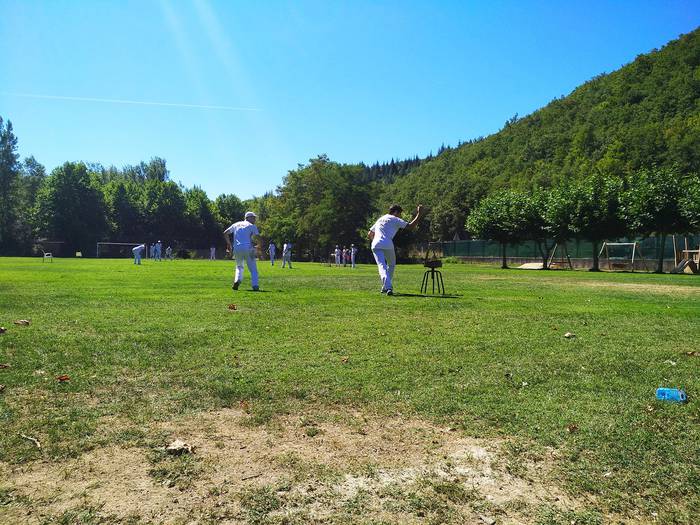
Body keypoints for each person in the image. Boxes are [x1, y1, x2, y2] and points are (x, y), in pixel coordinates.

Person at [368, 204, 424, 295]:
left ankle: (386, 286)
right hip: (387, 244)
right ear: (396, 212)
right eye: (400, 214)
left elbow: (370, 233)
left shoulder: (380, 219)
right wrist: (419, 214)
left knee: (382, 266)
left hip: (375, 244)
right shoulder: (395, 219)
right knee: (391, 265)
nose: (400, 216)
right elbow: (410, 226)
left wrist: (376, 240)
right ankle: (388, 287)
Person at [224, 211, 260, 291]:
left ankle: (237, 281)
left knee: (239, 267)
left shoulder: (236, 224)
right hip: (248, 248)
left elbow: (225, 233)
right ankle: (255, 285)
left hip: (236, 249)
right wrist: (258, 246)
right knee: (253, 269)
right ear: (248, 218)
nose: (255, 219)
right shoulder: (252, 226)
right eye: (253, 217)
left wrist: (229, 245)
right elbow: (257, 237)